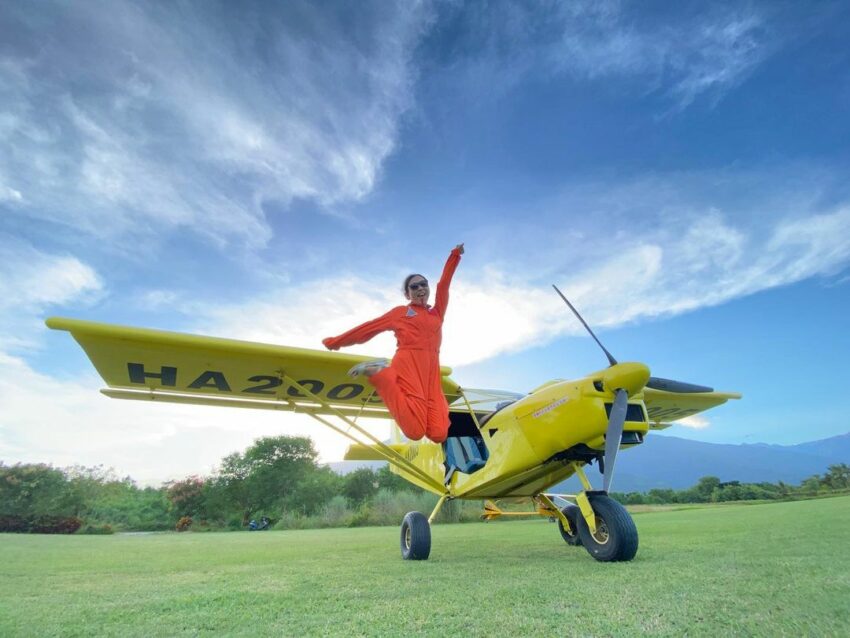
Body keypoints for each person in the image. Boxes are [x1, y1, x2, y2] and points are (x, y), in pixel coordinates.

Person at [322, 244, 464, 443]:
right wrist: (335, 342)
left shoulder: (437, 311)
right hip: (409, 364)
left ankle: (382, 373)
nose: (420, 288)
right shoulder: (400, 313)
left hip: (431, 371)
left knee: (439, 434)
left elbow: (444, 285)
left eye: (423, 284)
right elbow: (369, 328)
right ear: (407, 295)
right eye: (414, 286)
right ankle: (380, 374)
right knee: (414, 433)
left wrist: (455, 255)